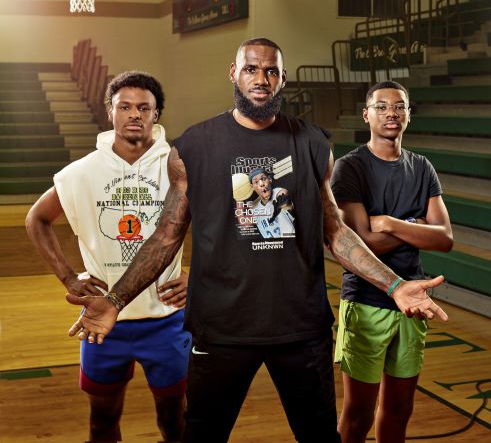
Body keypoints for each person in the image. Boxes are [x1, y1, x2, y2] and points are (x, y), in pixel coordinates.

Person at [65, 40, 449, 443]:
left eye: (270, 71)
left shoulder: (314, 143)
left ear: (282, 79)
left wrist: (395, 285)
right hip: (221, 328)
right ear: (234, 73)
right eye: (251, 69)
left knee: (319, 435)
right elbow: (165, 237)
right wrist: (115, 301)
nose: (260, 79)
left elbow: (335, 232)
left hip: (300, 327)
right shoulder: (193, 147)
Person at [25, 71, 191, 443]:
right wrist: (69, 277)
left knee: (175, 424)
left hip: (166, 319)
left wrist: (198, 277)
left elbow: (228, 227)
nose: (134, 114)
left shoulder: (181, 166)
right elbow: (36, 218)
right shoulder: (82, 172)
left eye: (144, 108)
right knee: (101, 424)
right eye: (125, 106)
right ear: (110, 113)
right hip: (102, 323)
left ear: (156, 115)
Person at [331, 80, 453, 443]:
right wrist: (417, 226)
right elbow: (362, 243)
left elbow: (445, 238)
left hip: (413, 302)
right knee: (357, 415)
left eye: (399, 106)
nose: (391, 113)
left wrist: (388, 222)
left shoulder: (422, 167)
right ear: (366, 115)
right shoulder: (349, 167)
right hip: (366, 300)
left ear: (409, 115)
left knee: (400, 411)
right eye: (382, 107)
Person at [248, 167, 295, 239]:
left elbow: (283, 196)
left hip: (288, 244)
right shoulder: (254, 207)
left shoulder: (278, 192)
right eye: (256, 182)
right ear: (252, 187)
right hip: (270, 247)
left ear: (270, 179)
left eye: (263, 179)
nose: (261, 184)